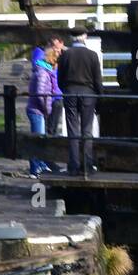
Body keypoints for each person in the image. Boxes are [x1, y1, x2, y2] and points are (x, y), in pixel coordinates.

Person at [56, 30, 103, 174]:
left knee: (72, 130)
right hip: (88, 94)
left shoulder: (65, 55)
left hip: (70, 93)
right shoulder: (92, 55)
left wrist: (66, 90)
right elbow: (98, 81)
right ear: (85, 37)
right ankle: (87, 165)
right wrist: (100, 97)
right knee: (87, 130)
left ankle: (74, 165)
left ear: (71, 38)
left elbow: (60, 79)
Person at [26, 44, 60, 177]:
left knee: (40, 139)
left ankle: (40, 165)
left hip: (38, 110)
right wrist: (46, 108)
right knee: (37, 140)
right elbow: (40, 93)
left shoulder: (44, 71)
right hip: (37, 110)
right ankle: (35, 169)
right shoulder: (43, 73)